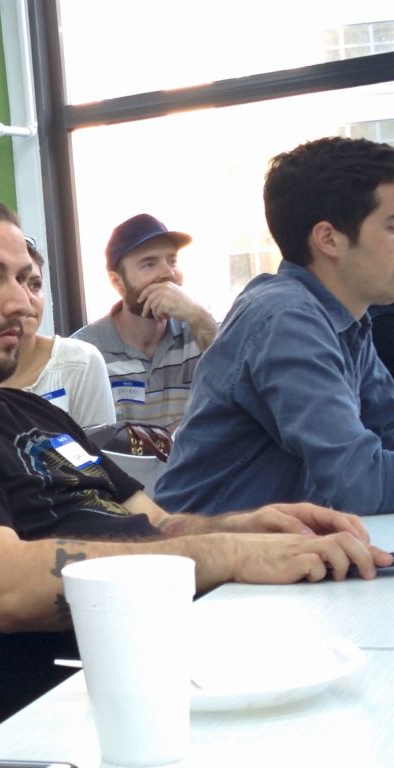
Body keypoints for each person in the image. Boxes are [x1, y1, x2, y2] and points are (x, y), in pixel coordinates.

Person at [0, 187, 389, 756]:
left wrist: (248, 528)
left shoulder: (29, 409)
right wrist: (227, 556)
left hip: (164, 681)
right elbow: (6, 587)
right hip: (59, 729)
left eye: (27, 280)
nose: (22, 303)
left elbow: (157, 527)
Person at [156, 136, 394, 516]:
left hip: (276, 559)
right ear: (329, 239)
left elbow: (388, 428)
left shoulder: (346, 318)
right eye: (392, 226)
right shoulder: (286, 318)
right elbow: (358, 481)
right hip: (212, 566)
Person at [71, 213, 217, 431]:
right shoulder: (83, 353)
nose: (168, 273)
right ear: (117, 281)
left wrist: (199, 317)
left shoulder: (200, 331)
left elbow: (246, 390)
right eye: (149, 264)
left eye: (172, 260)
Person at [0, 237, 116, 427]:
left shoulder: (80, 361)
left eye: (35, 285)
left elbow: (100, 451)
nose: (27, 298)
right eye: (15, 284)